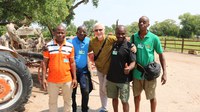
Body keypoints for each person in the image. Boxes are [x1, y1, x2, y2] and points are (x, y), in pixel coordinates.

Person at [130, 16, 167, 112]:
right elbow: (130, 53)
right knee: (136, 95)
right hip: (137, 73)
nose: (141, 23)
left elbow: (161, 55)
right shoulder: (133, 37)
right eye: (140, 22)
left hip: (150, 73)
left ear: (148, 25)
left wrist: (165, 73)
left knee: (152, 97)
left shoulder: (154, 38)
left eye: (144, 22)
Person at [42, 24, 77, 112]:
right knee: (52, 102)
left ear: (65, 33)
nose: (60, 34)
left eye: (62, 32)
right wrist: (43, 79)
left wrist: (74, 78)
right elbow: (44, 63)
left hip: (67, 80)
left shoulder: (70, 46)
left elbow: (72, 63)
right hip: (52, 80)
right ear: (54, 33)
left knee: (68, 101)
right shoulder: (48, 46)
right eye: (58, 32)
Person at [106, 25, 136, 112]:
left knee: (124, 101)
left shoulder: (130, 47)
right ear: (115, 33)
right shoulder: (113, 44)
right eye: (118, 33)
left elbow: (133, 62)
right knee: (114, 99)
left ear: (125, 34)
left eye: (122, 34)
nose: (120, 36)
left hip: (124, 80)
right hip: (112, 78)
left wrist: (129, 68)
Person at [88, 23, 116, 112]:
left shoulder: (111, 39)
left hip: (110, 69)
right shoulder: (92, 41)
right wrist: (91, 58)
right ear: (94, 32)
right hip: (99, 68)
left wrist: (133, 46)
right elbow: (87, 51)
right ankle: (104, 107)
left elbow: (123, 40)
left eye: (100, 30)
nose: (98, 32)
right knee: (101, 89)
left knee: (104, 87)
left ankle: (107, 104)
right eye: (96, 30)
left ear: (104, 30)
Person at [68, 26, 93, 112]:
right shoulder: (71, 41)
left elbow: (99, 44)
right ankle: (73, 108)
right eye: (80, 31)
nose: (82, 33)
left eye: (84, 32)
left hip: (84, 71)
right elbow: (60, 42)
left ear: (86, 33)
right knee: (72, 92)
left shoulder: (89, 41)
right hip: (72, 71)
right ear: (76, 33)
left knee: (86, 91)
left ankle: (84, 109)